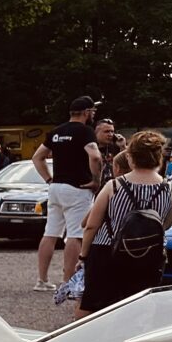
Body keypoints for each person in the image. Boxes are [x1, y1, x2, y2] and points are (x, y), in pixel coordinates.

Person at [77, 129, 172, 315]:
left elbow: (91, 225)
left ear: (131, 157)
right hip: (148, 253)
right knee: (137, 309)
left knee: (92, 306)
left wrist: (83, 256)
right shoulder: (168, 188)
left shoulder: (114, 185)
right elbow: (166, 223)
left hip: (107, 251)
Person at [31, 96, 101, 291]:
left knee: (50, 233)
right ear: (86, 112)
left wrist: (48, 179)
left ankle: (42, 280)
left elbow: (37, 157)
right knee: (75, 235)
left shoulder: (56, 132)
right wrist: (96, 180)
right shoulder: (85, 132)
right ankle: (68, 282)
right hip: (78, 188)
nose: (94, 114)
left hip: (56, 187)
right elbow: (95, 156)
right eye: (93, 111)